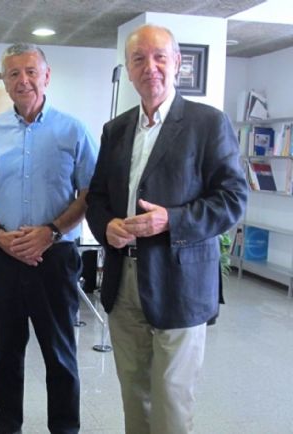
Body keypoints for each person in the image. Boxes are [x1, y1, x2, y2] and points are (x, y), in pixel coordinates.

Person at [85, 24, 247, 434]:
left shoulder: (208, 123)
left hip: (181, 283)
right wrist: (107, 226)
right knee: (133, 394)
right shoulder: (115, 130)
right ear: (128, 68)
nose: (150, 67)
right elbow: (97, 199)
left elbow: (232, 199)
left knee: (172, 402)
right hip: (123, 280)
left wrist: (171, 220)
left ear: (177, 62)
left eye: (160, 57)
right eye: (139, 59)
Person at [0, 43, 97, 434]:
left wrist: (50, 232)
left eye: (31, 71)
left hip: (55, 259)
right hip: (3, 259)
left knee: (60, 354)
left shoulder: (73, 130)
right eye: (14, 74)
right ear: (5, 82)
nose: (23, 80)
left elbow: (91, 192)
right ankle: (8, 426)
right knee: (6, 355)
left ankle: (65, 429)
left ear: (46, 76)